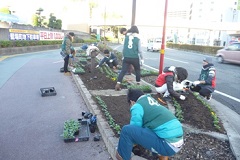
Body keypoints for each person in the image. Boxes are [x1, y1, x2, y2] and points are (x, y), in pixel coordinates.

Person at [116, 89, 184, 160]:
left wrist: (127, 144)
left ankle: (122, 157)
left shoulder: (137, 105)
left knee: (127, 130)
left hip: (167, 145)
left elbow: (134, 127)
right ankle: (161, 156)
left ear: (132, 102)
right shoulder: (150, 101)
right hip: (177, 143)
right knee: (149, 128)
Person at [115, 26, 143, 91]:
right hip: (134, 57)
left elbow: (123, 49)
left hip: (126, 57)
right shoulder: (138, 39)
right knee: (137, 70)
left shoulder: (126, 38)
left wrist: (123, 56)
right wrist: (142, 59)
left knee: (123, 71)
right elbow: (140, 50)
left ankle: (118, 84)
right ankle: (138, 84)